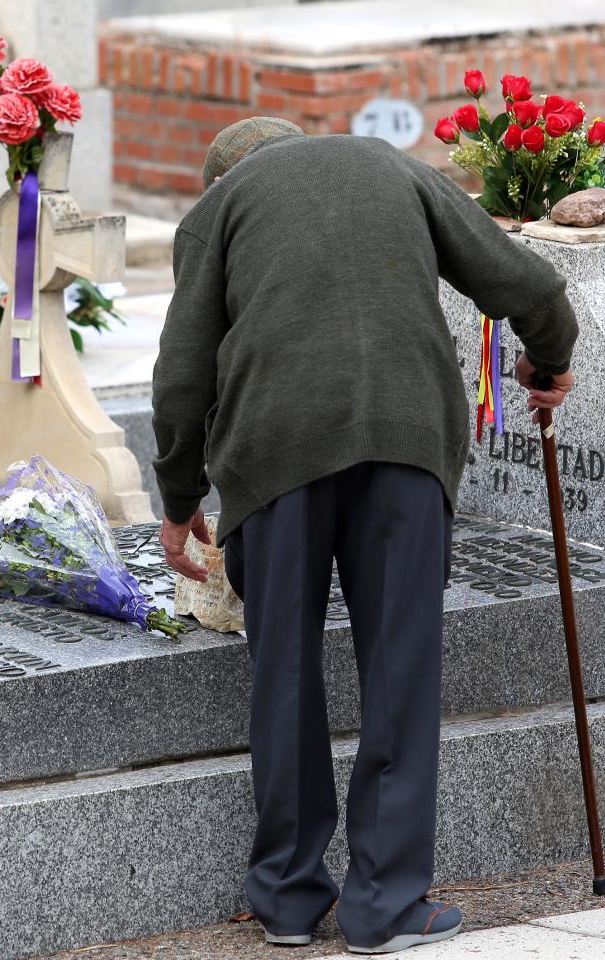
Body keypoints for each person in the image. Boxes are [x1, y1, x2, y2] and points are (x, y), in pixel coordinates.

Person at [152, 118, 578, 954]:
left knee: (284, 673)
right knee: (399, 667)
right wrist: (548, 359)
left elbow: (182, 371)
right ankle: (384, 905)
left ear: (225, 175)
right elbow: (525, 282)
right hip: (404, 442)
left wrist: (177, 496)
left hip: (274, 457)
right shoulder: (394, 167)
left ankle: (285, 898)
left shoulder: (220, 208)